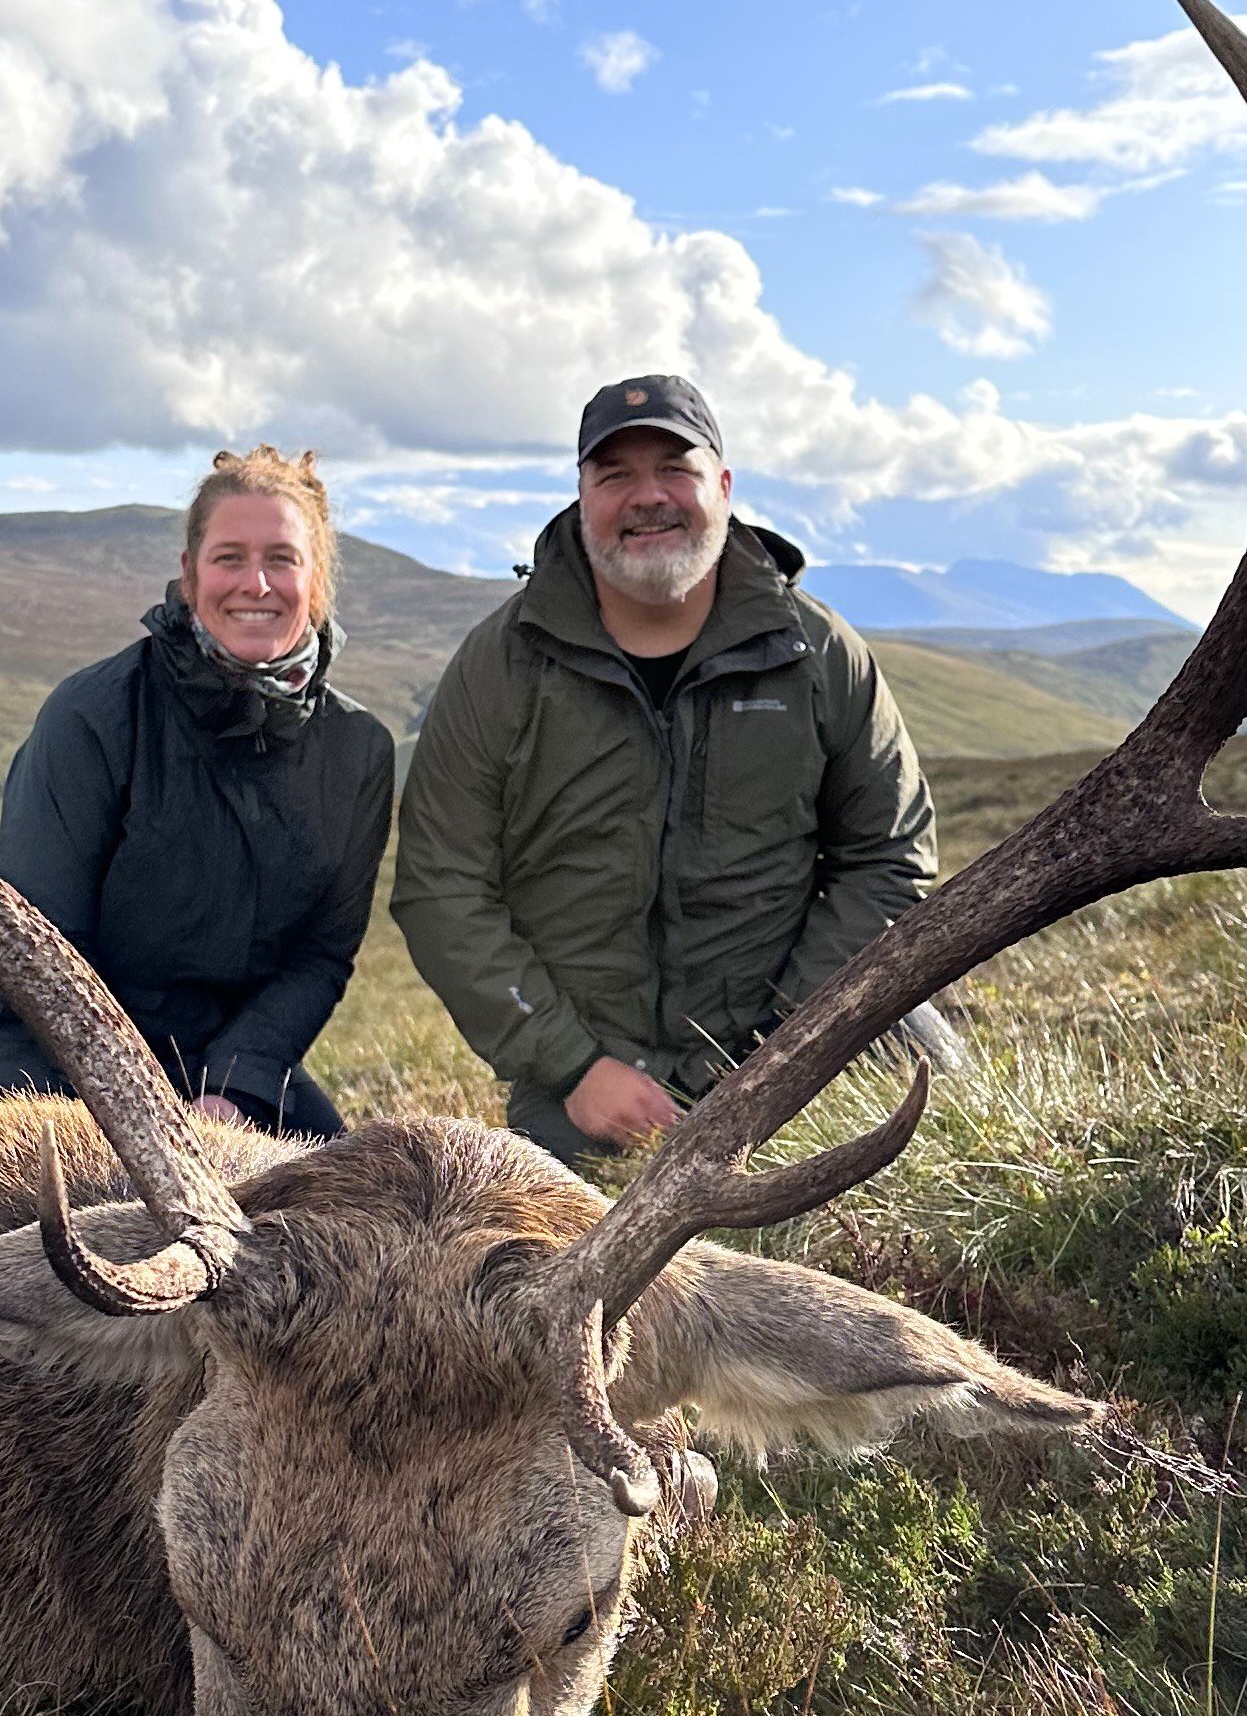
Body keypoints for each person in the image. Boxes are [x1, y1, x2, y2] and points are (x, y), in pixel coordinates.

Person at [392, 372, 939, 1168]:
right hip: (584, 1091)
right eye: (615, 475)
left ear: (721, 485)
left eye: (674, 469)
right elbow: (441, 883)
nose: (647, 497)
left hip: (801, 1062)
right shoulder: (500, 665)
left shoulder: (817, 654)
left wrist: (785, 1046)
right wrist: (572, 1065)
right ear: (582, 498)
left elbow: (890, 861)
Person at [0, 444, 396, 1138]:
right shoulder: (96, 715)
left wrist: (235, 1088)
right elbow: (32, 951)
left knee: (357, 1212)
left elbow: (319, 956)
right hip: (28, 1052)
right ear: (189, 574)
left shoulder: (358, 750)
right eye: (229, 557)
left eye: (282, 559)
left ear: (316, 579)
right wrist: (133, 1124)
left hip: (212, 1064)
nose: (255, 584)